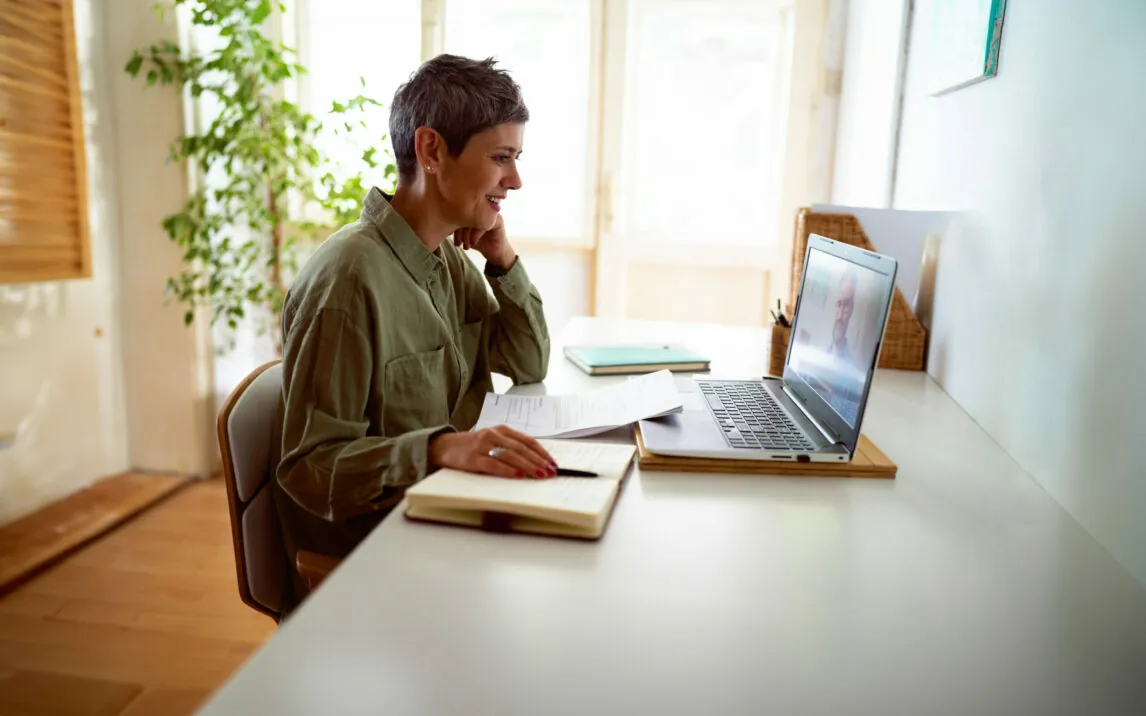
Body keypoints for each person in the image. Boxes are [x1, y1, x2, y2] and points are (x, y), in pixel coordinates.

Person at [273, 55, 556, 611]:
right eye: (501, 158)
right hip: (381, 556)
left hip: (440, 518)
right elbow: (310, 468)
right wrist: (441, 448)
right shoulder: (349, 280)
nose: (515, 180)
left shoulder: (444, 260)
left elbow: (529, 362)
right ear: (431, 151)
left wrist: (501, 257)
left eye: (516, 159)